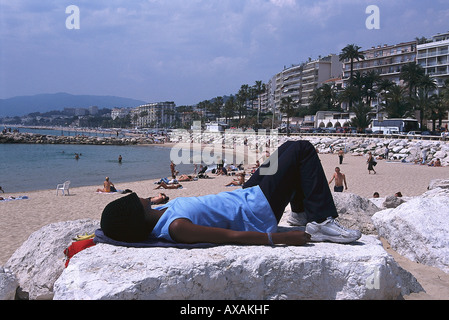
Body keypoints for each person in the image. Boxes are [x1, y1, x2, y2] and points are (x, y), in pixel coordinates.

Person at [100, 140, 361, 246]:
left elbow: (106, 231)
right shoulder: (176, 227)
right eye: (140, 202)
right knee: (301, 150)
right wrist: (280, 238)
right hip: (257, 207)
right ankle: (321, 220)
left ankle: (303, 212)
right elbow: (230, 236)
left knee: (286, 149)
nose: (145, 198)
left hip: (247, 194)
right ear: (138, 214)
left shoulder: (157, 215)